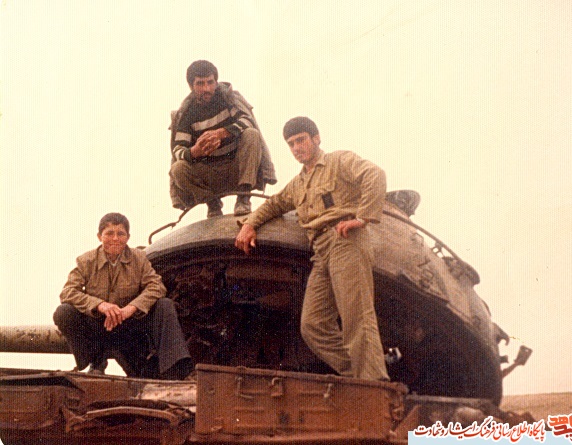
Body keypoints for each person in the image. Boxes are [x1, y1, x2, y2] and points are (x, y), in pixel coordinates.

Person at [235, 117, 390, 381]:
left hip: (345, 241)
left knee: (356, 317)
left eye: (301, 140)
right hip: (320, 251)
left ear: (316, 138)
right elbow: (274, 204)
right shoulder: (298, 184)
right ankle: (360, 377)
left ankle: (373, 384)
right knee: (313, 325)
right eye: (291, 144)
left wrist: (363, 217)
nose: (296, 148)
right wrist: (249, 224)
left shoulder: (338, 161)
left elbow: (375, 174)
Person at [53, 213, 193, 379]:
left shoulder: (139, 258)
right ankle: (95, 361)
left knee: (165, 304)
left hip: (129, 327)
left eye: (120, 234)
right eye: (109, 233)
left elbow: (156, 286)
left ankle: (174, 367)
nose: (115, 238)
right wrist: (100, 305)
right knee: (64, 312)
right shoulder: (86, 261)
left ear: (128, 237)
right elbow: (68, 292)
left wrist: (131, 308)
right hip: (99, 326)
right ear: (99, 236)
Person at [169, 60, 277, 217]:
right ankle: (212, 203)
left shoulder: (227, 99)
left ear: (216, 82)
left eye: (210, 82)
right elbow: (178, 150)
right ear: (191, 86)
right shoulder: (187, 113)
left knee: (252, 134)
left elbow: (247, 121)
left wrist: (222, 133)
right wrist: (195, 151)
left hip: (236, 167)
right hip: (210, 174)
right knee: (178, 168)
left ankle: (244, 197)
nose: (207, 89)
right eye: (200, 84)